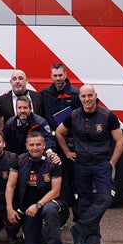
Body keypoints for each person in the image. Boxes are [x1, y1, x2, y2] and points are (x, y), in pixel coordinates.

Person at [55, 84, 123, 244]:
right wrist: (66, 152)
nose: (87, 99)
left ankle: (80, 228)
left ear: (96, 96)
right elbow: (58, 133)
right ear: (79, 98)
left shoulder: (108, 115)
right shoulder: (74, 115)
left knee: (105, 197)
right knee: (84, 203)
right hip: (81, 165)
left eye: (90, 95)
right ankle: (93, 243)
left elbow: (120, 141)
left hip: (102, 164)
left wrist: (112, 163)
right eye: (83, 96)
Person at [6, 132, 70, 244]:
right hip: (30, 208)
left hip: (51, 203)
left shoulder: (53, 162)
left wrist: (38, 205)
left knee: (49, 210)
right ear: (26, 146)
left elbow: (56, 191)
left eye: (38, 144)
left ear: (44, 145)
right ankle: (43, 231)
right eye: (32, 145)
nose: (35, 148)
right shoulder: (19, 160)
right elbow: (10, 186)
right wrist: (9, 208)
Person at [40, 63, 82, 220]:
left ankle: (79, 219)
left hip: (70, 145)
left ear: (65, 75)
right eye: (55, 76)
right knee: (57, 183)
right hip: (51, 145)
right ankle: (61, 218)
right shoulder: (44, 94)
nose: (57, 79)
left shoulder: (75, 95)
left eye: (60, 75)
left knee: (74, 183)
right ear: (51, 77)